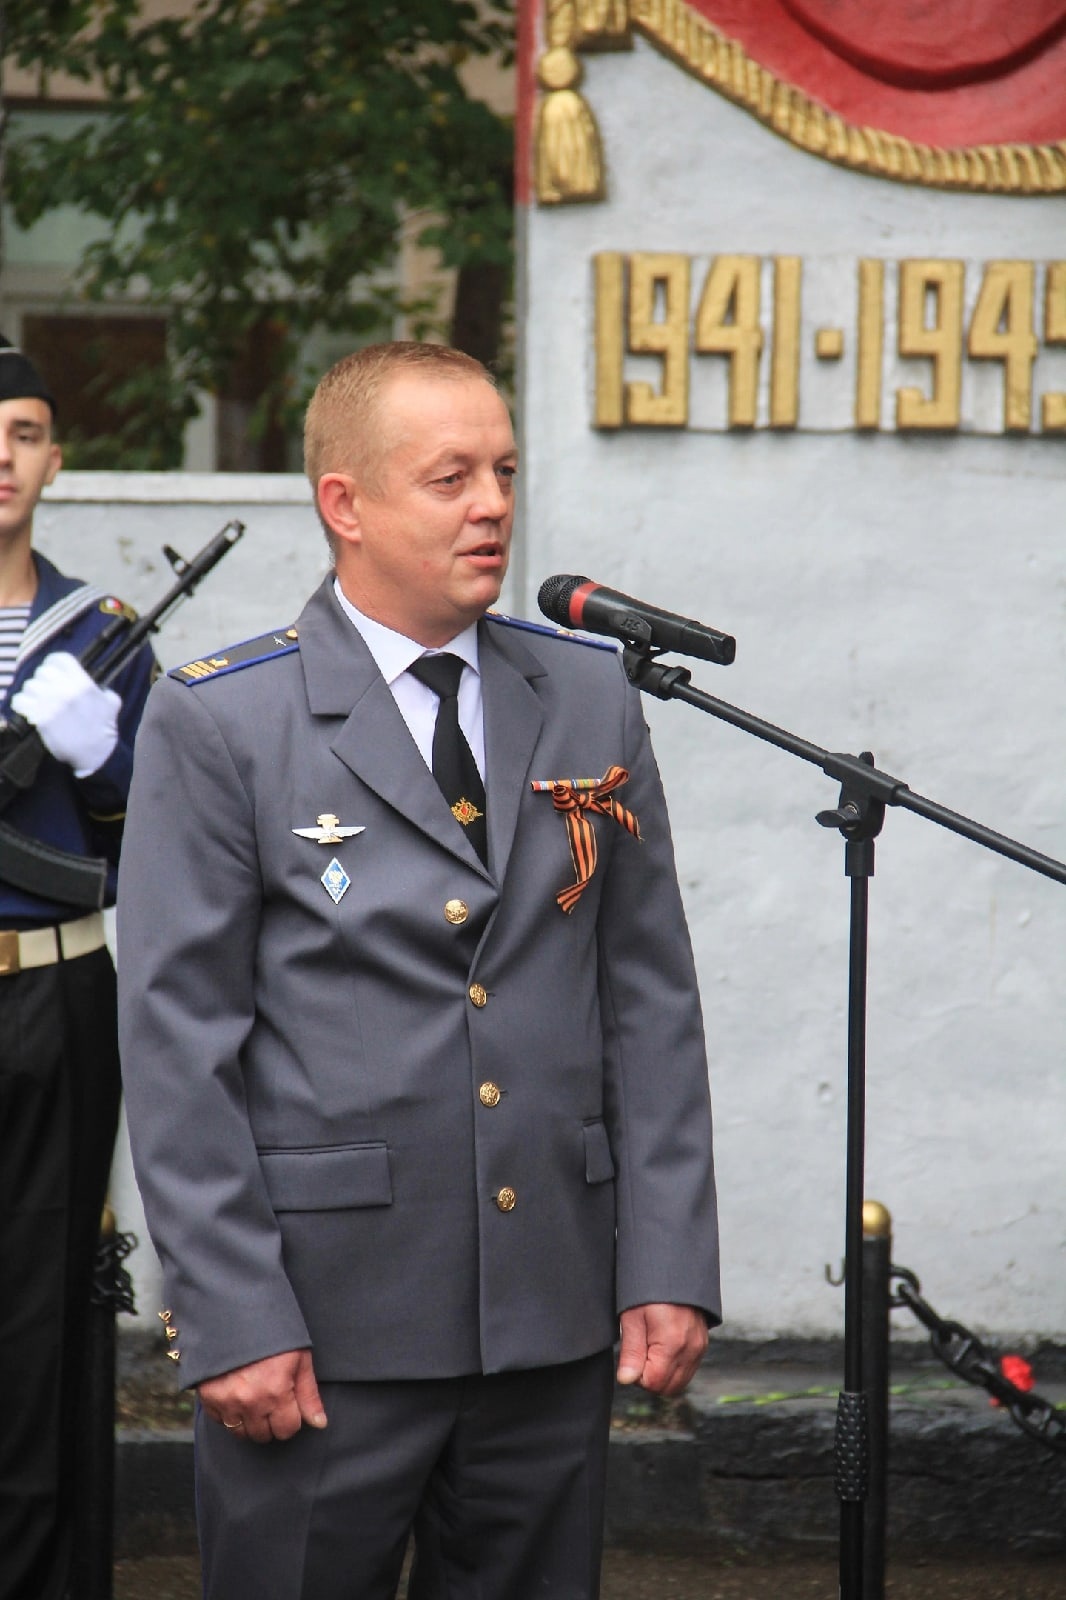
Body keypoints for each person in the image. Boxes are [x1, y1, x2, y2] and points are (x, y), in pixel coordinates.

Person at [117, 340, 720, 1599]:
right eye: (450, 477)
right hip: (322, 1331)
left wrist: (664, 1259)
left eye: (503, 469)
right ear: (346, 503)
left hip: (548, 1316)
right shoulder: (226, 717)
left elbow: (647, 998)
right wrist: (231, 1312)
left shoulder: (589, 696)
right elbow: (180, 1044)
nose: (493, 503)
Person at [0, 335, 156, 1600]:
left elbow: (155, 828)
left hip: (55, 986)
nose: (3, 457)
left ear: (56, 457)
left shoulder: (98, 632)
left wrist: (99, 752)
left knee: (44, 1296)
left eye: (26, 431)